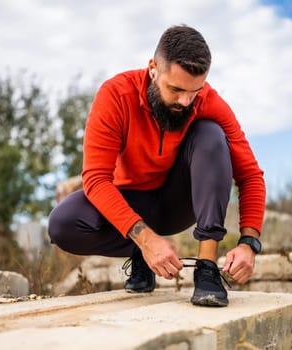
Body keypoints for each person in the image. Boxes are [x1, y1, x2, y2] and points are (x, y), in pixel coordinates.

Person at [48, 24, 265, 307]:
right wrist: (146, 241)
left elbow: (250, 176)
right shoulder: (116, 95)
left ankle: (207, 270)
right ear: (153, 69)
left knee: (211, 133)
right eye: (175, 89)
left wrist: (249, 244)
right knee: (62, 225)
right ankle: (140, 254)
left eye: (194, 92)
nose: (185, 101)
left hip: (177, 203)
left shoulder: (209, 101)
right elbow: (96, 179)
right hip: (132, 202)